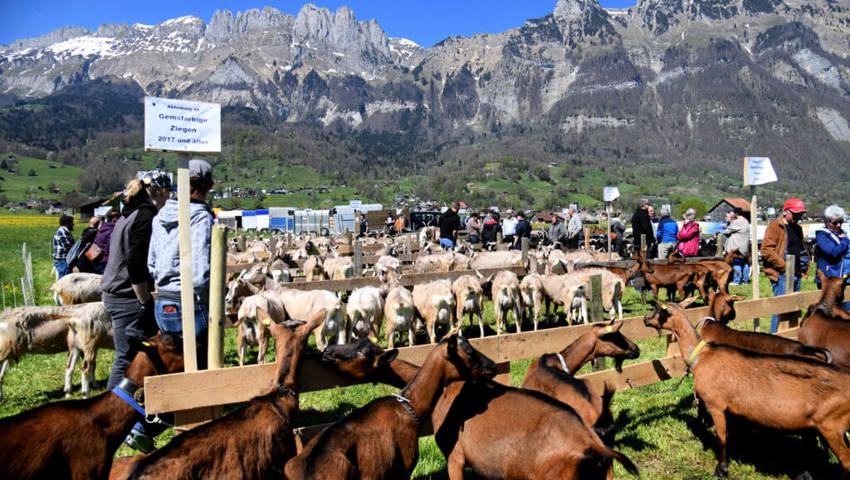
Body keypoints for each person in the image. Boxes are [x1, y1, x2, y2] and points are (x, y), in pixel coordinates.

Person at [101, 169, 172, 453]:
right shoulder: (145, 216)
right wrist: (144, 300)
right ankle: (110, 415)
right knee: (127, 355)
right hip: (126, 294)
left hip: (115, 292)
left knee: (129, 353)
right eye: (168, 194)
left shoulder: (129, 213)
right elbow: (135, 261)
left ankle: (124, 412)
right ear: (161, 192)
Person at [148, 159, 214, 362]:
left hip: (163, 301)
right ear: (208, 186)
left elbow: (151, 263)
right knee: (200, 367)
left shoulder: (159, 217)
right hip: (192, 302)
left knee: (172, 364)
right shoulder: (201, 217)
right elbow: (201, 270)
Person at [761, 197, 808, 334]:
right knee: (780, 307)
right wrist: (785, 267)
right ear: (785, 211)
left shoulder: (798, 228)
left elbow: (800, 248)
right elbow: (766, 250)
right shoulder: (775, 226)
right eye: (795, 213)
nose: (798, 217)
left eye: (800, 214)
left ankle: (790, 335)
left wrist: (804, 265)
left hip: (797, 272)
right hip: (782, 273)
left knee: (794, 306)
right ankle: (774, 336)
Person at [814, 205, 850, 286]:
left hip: (843, 277)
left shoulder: (842, 233)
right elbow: (833, 252)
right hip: (828, 278)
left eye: (840, 221)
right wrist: (845, 241)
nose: (838, 225)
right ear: (826, 222)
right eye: (835, 223)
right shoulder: (822, 235)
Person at [723, 208, 751, 284]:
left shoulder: (737, 222)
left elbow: (726, 232)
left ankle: (736, 281)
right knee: (744, 263)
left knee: (736, 263)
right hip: (744, 247)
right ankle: (745, 281)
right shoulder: (746, 221)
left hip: (737, 247)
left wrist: (729, 223)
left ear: (735, 214)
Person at [92, 209, 118, 274]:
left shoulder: (101, 229)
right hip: (106, 262)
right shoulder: (111, 231)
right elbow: (110, 250)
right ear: (114, 220)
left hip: (98, 260)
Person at [52, 214, 75, 279]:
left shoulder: (64, 231)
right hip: (62, 261)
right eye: (71, 223)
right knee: (64, 283)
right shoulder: (63, 232)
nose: (73, 224)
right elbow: (70, 247)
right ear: (66, 223)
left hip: (63, 260)